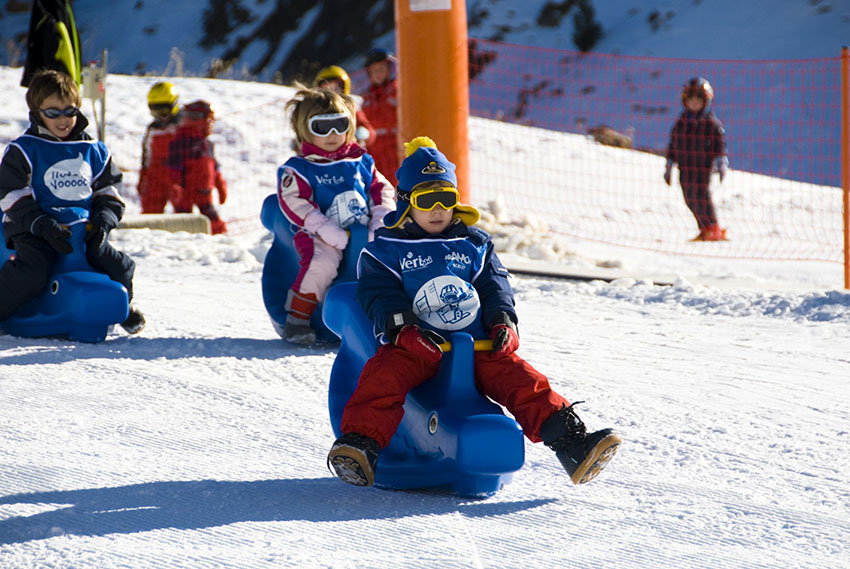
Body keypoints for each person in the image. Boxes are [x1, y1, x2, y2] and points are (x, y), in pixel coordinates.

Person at [327, 137, 621, 487]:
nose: (438, 210)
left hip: (477, 344)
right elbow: (380, 294)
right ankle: (360, 444)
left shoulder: (473, 245)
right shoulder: (387, 250)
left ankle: (572, 444)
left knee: (522, 380)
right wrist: (403, 330)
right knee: (383, 377)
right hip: (417, 345)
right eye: (427, 200)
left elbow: (494, 285)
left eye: (446, 199)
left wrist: (502, 321)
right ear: (406, 204)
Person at [0, 69, 145, 333]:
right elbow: (10, 192)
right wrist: (40, 223)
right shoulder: (25, 149)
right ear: (36, 110)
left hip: (82, 226)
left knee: (117, 263)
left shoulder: (93, 150)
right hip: (35, 227)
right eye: (53, 112)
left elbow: (108, 191)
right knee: (34, 267)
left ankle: (124, 305)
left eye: (70, 111)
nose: (63, 119)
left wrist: (104, 220)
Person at [277, 86, 395, 345]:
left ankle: (392, 318)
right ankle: (298, 318)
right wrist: (322, 227)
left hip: (364, 228)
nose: (332, 135)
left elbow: (381, 188)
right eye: (322, 127)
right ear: (305, 129)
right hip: (320, 233)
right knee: (322, 263)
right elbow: (293, 200)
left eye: (340, 125)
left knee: (391, 264)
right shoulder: (299, 168)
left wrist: (381, 217)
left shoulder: (361, 161)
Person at [664, 76, 729, 241]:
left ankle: (713, 227)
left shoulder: (711, 123)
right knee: (689, 197)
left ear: (706, 101)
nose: (694, 103)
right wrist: (669, 164)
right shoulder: (681, 123)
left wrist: (720, 161)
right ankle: (704, 228)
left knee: (701, 195)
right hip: (684, 167)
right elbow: (673, 144)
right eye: (691, 100)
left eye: (698, 100)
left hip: (702, 167)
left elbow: (720, 145)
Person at [167, 100, 228, 234]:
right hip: (185, 193)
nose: (211, 124)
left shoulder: (207, 143)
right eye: (210, 120)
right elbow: (174, 168)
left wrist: (220, 184)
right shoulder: (181, 141)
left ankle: (221, 241)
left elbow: (214, 167)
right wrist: (176, 186)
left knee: (213, 223)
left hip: (204, 194)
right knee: (183, 225)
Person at [138, 81, 180, 213]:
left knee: (183, 208)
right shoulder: (153, 129)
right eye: (155, 111)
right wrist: (143, 175)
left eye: (163, 110)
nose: (160, 116)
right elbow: (146, 154)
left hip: (177, 174)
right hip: (155, 176)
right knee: (150, 209)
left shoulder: (182, 127)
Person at [361, 48, 400, 186]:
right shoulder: (367, 97)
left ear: (389, 69)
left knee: (400, 188)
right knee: (380, 188)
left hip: (396, 149)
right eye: (374, 70)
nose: (378, 74)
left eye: (381, 69)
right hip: (375, 151)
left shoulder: (398, 91)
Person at [314, 65, 376, 148]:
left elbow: (369, 131)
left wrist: (364, 133)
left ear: (344, 90)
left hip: (345, 153)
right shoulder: (314, 112)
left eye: (336, 89)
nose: (332, 94)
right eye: (327, 90)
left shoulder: (351, 111)